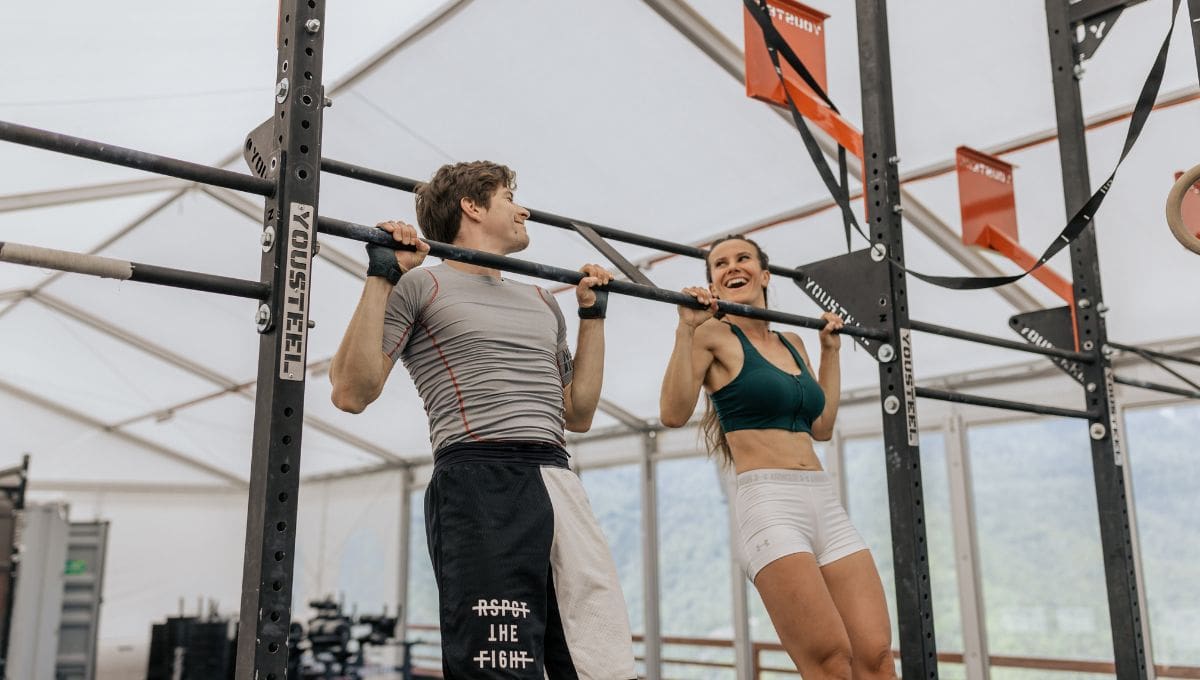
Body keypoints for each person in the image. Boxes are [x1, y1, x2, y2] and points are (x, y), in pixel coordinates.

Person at [329, 161, 636, 680]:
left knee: (597, 663)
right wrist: (382, 275)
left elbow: (577, 413)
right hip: (478, 479)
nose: (524, 208)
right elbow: (350, 392)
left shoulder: (543, 299)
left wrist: (592, 317)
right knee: (499, 668)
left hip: (558, 477)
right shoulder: (421, 286)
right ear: (472, 206)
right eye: (510, 195)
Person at [659, 235, 897, 680]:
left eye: (743, 258)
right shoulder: (712, 334)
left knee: (877, 658)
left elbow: (821, 427)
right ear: (712, 280)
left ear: (764, 274)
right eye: (720, 263)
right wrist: (685, 328)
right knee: (830, 661)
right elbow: (672, 414)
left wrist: (830, 352)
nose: (733, 267)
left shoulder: (792, 342)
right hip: (769, 502)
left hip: (823, 500)